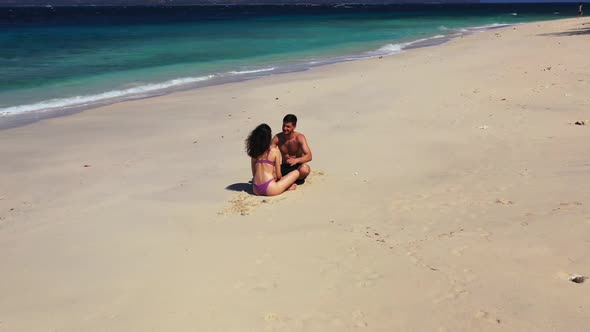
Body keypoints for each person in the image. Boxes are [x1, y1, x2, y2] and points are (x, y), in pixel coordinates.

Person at [246, 123, 299, 196]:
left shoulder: (254, 152)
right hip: (270, 188)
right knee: (296, 173)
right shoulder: (274, 151)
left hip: (256, 189)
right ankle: (285, 187)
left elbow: (254, 174)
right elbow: (278, 175)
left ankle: (282, 187)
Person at [272, 114, 312, 184]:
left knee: (305, 169)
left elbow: (309, 156)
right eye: (283, 125)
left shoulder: (300, 137)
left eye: (288, 126)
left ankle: (286, 181)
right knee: (270, 173)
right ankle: (289, 181)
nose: (284, 128)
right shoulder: (277, 138)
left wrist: (296, 160)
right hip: (284, 167)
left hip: (297, 168)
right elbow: (269, 153)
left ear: (294, 127)